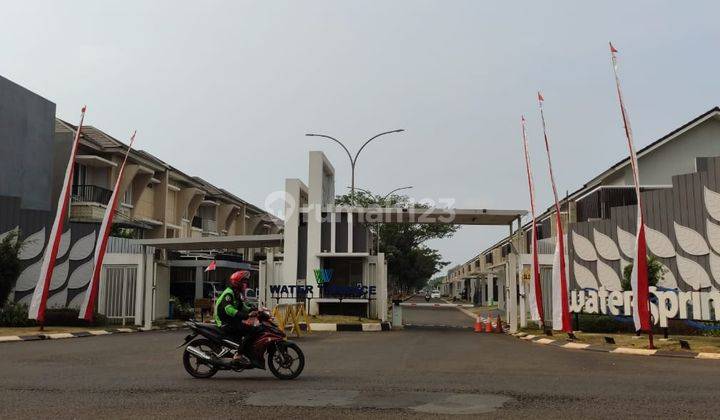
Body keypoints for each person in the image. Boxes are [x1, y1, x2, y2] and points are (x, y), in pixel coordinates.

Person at [214, 270, 259, 366]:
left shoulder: (236, 293)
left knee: (249, 329)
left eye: (246, 282)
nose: (245, 285)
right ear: (237, 282)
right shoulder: (229, 293)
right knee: (251, 330)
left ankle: (240, 350)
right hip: (224, 322)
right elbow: (228, 309)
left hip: (230, 320)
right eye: (243, 282)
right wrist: (246, 315)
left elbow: (242, 307)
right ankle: (238, 355)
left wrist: (254, 310)